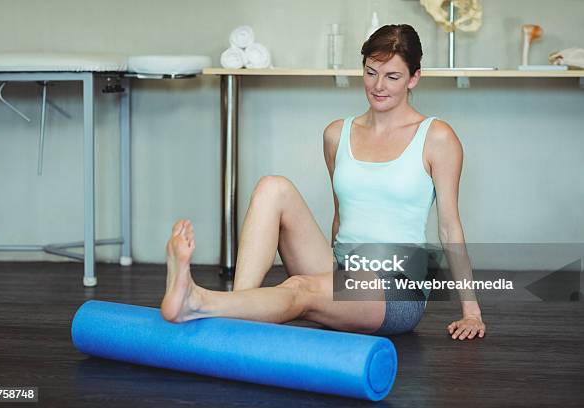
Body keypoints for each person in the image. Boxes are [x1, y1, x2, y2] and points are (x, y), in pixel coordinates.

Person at [161, 24, 486, 340]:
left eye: (393, 76)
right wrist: (333, 276)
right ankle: (239, 308)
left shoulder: (437, 137)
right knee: (272, 187)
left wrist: (471, 312)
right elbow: (341, 216)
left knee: (300, 288)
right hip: (344, 270)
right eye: (371, 72)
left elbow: (449, 229)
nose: (378, 86)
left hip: (396, 289)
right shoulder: (337, 134)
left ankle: (198, 301)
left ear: (414, 78)